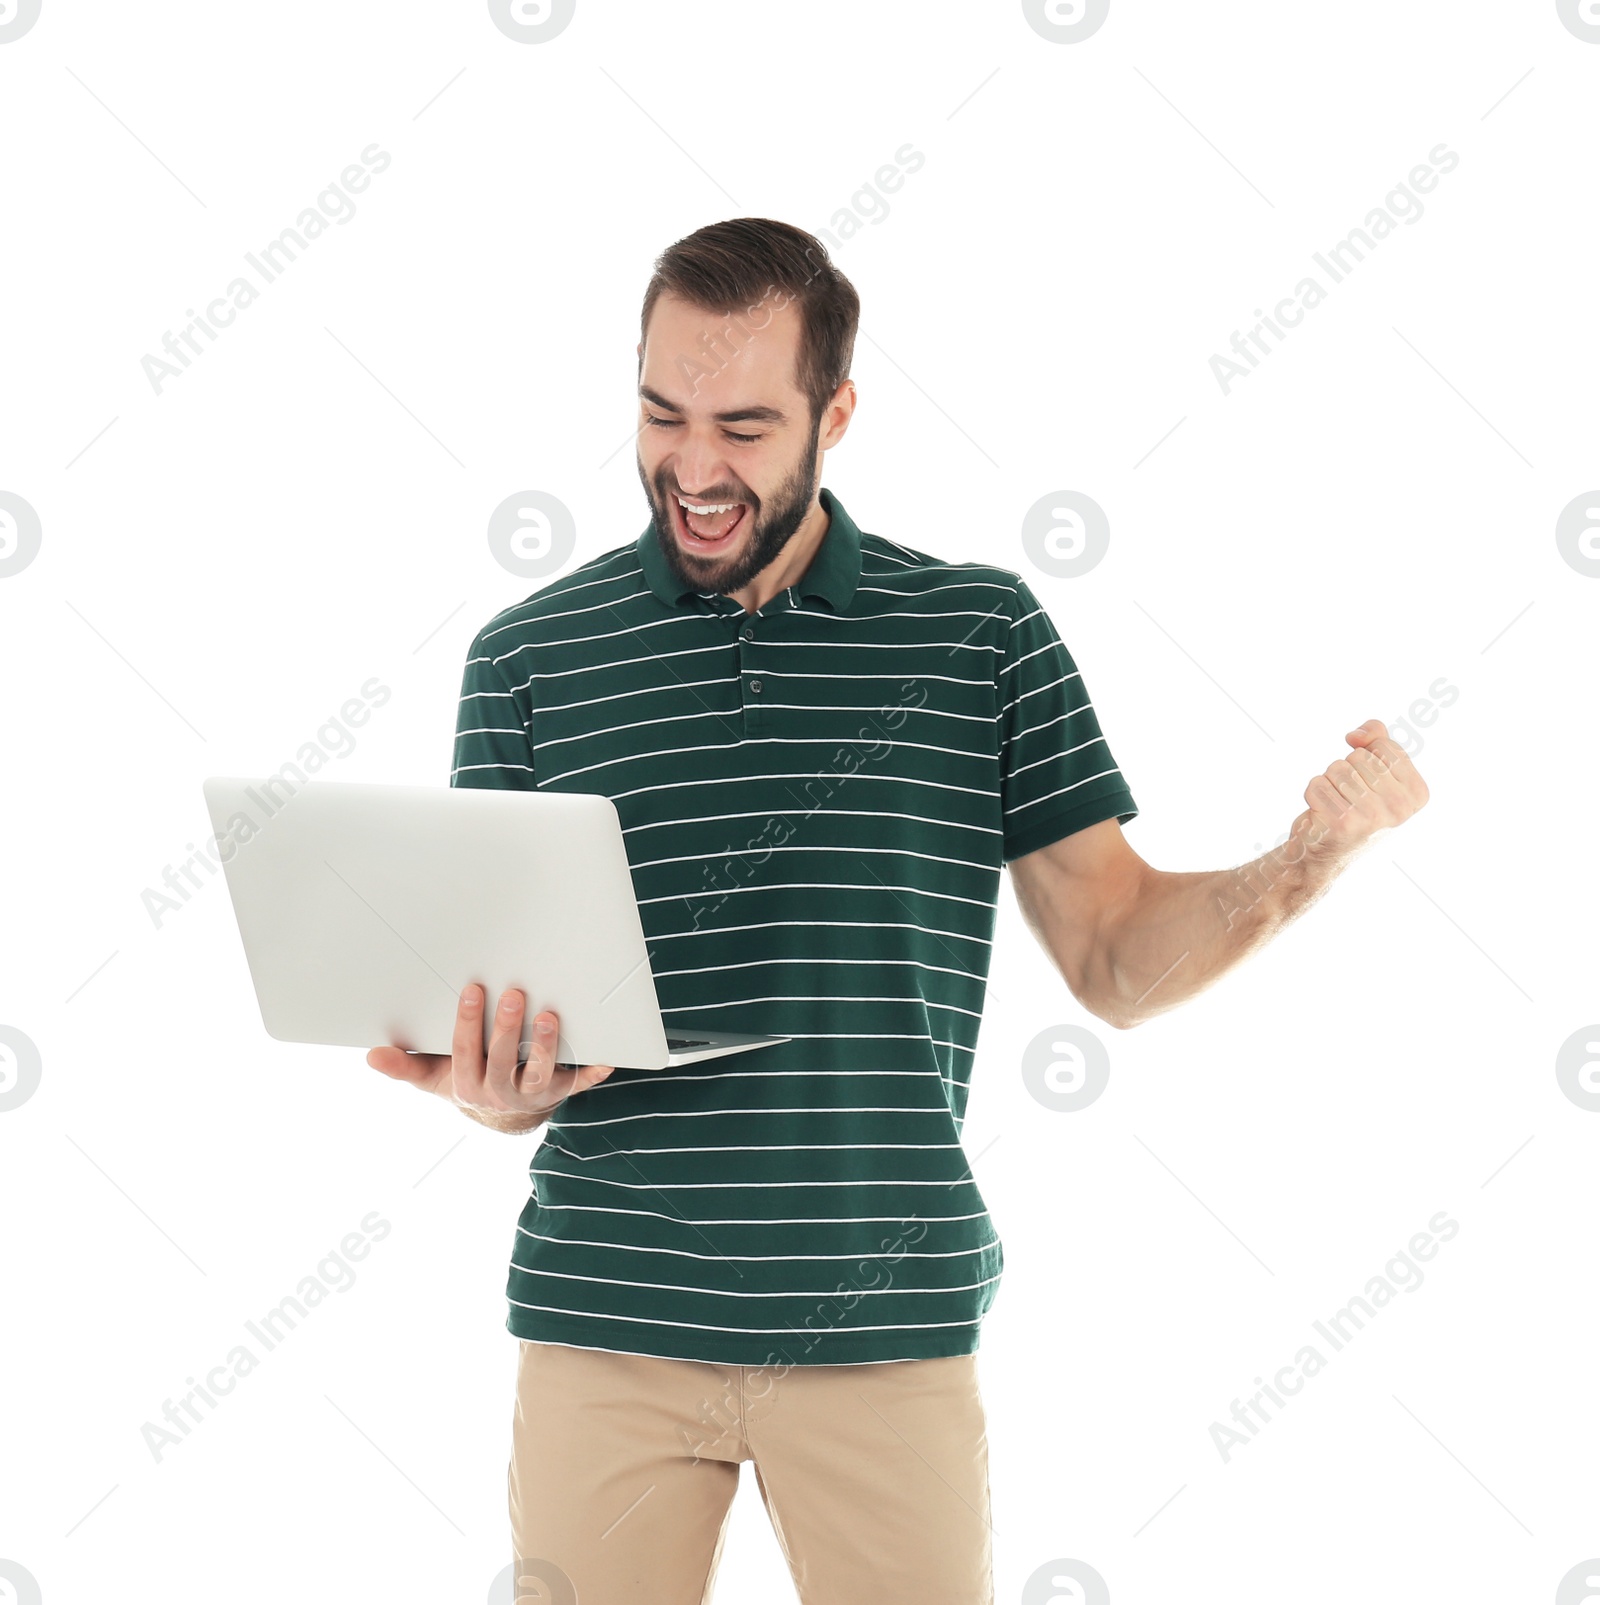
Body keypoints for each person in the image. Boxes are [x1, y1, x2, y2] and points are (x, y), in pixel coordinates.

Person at [366, 217, 1429, 1605]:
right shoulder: (527, 658)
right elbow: (510, 1058)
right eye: (660, 411)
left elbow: (1112, 955)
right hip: (604, 1321)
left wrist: (1303, 861)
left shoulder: (978, 635)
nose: (693, 468)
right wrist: (493, 1090)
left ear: (838, 412)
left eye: (746, 425)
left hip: (887, 1322)